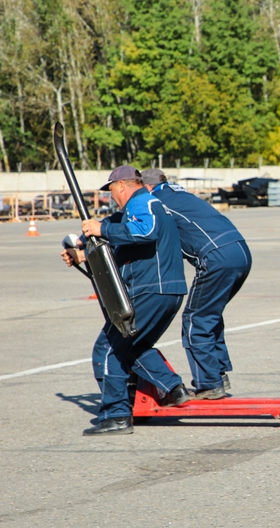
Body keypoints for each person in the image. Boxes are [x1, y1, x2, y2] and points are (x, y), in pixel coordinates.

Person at [62, 165, 192, 436]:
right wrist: (83, 254)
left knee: (107, 348)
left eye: (111, 190)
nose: (111, 196)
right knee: (133, 346)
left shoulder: (142, 201)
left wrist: (101, 228)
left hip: (151, 289)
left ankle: (117, 414)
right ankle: (173, 388)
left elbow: (145, 231)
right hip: (163, 289)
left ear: (121, 185)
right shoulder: (135, 209)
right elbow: (129, 244)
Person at [140, 169, 252, 399]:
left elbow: (142, 231)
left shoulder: (155, 201)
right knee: (209, 314)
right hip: (240, 250)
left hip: (217, 256)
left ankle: (210, 383)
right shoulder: (180, 195)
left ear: (147, 187)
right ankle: (218, 373)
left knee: (195, 319)